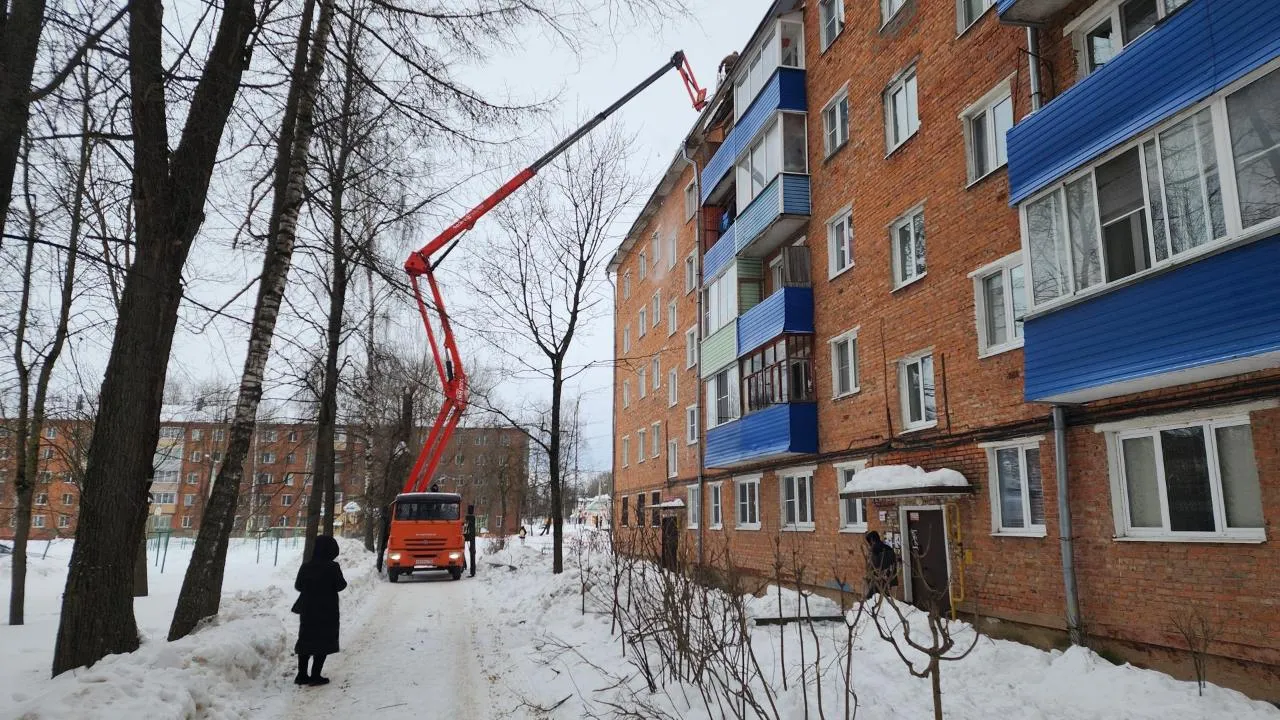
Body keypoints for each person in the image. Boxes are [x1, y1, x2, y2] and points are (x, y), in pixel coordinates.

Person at [293, 535, 347, 686]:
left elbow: (298, 586)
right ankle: (315, 675)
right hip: (327, 609)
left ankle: (302, 675)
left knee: (306, 639)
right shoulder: (332, 567)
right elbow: (341, 586)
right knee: (323, 641)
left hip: (308, 608)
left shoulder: (306, 566)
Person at [864, 531, 898, 601]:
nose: (869, 544)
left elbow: (873, 568)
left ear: (872, 540)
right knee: (891, 604)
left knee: (872, 602)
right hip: (893, 581)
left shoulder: (874, 551)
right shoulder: (889, 548)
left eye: (869, 542)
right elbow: (894, 564)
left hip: (879, 583)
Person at [464, 504, 477, 578]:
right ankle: (472, 571)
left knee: (471, 554)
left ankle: (472, 571)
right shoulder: (473, 517)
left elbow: (466, 527)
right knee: (472, 554)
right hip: (472, 538)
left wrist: (465, 534)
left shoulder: (468, 517)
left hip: (469, 537)